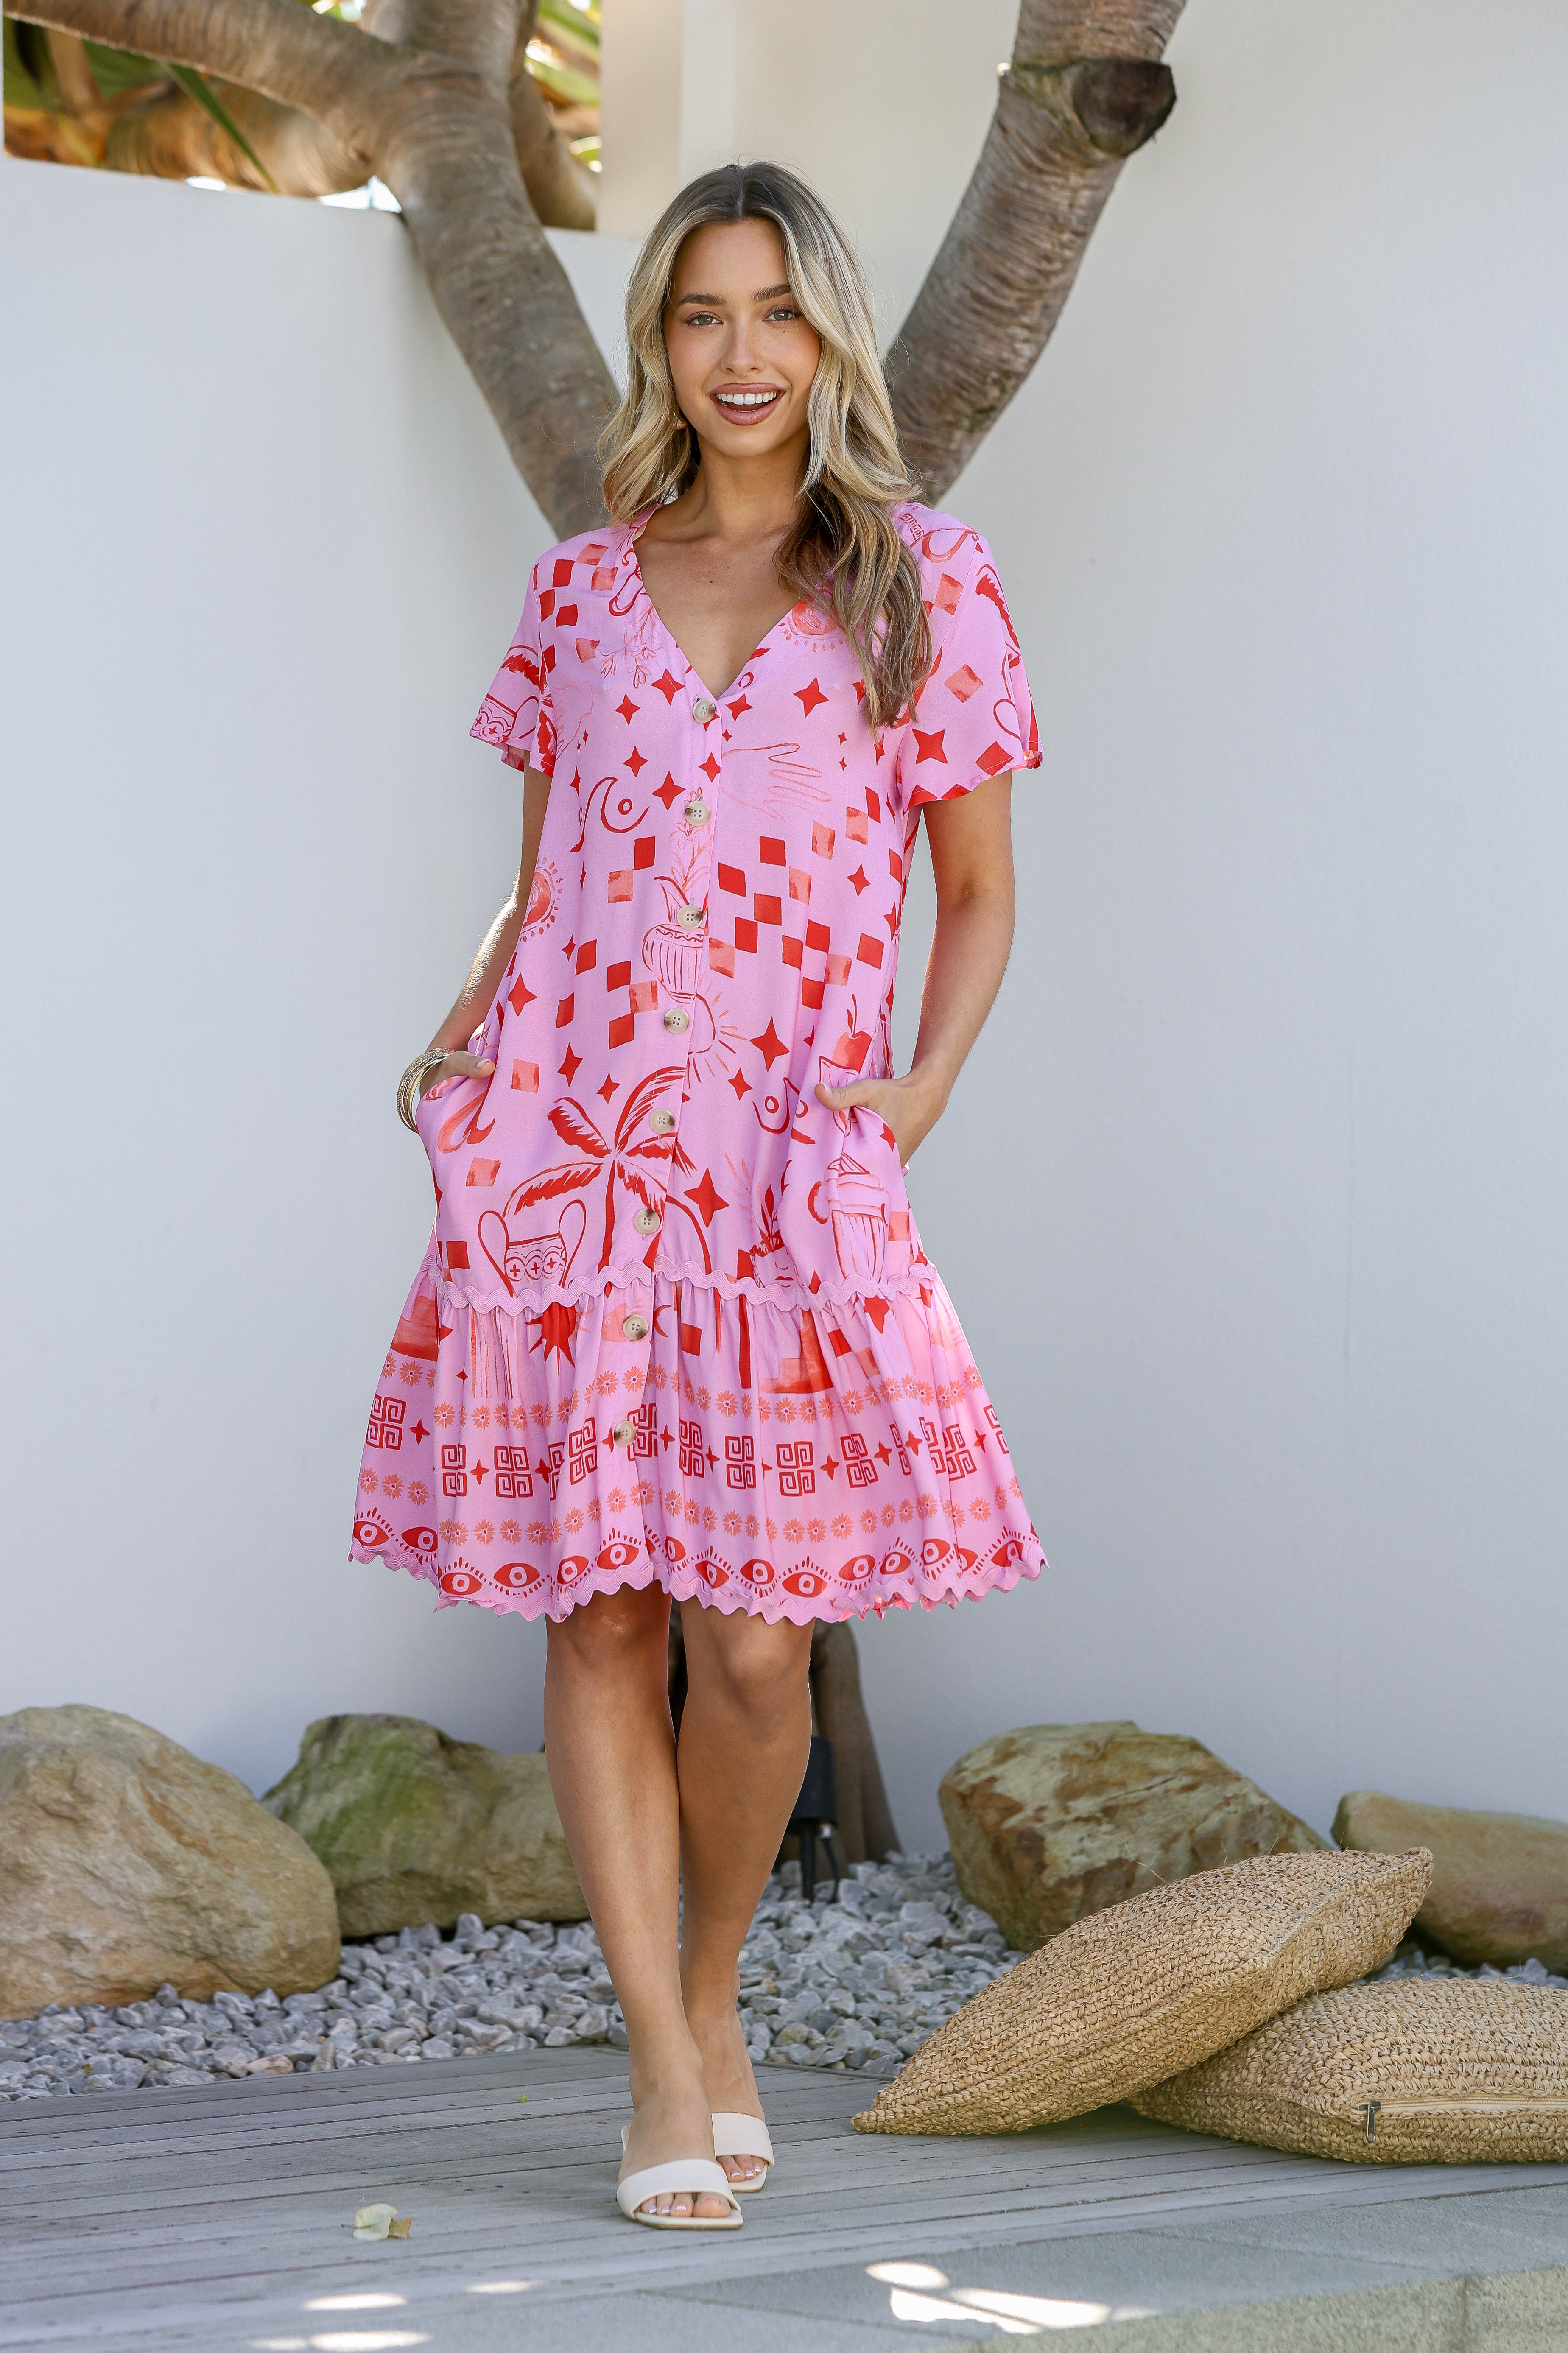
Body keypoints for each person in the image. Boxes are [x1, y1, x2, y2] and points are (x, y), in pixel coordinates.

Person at [352, 161, 1044, 2227]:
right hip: (579, 1150)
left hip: (787, 1170)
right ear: (660, 339)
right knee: (606, 1607)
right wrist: (462, 1041)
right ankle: (659, 2059)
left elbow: (982, 892)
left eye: (774, 314)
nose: (738, 356)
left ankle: (718, 1987)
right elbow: (548, 866)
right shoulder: (580, 590)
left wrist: (919, 1085)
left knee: (756, 1654)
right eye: (697, 315)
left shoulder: (928, 583)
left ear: (826, 335)